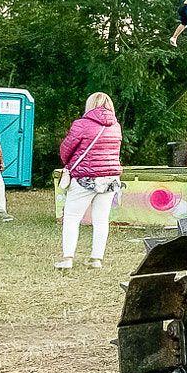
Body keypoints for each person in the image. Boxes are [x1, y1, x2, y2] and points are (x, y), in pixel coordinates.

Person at [57, 92, 123, 270]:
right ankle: (96, 259)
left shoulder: (81, 124)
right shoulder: (116, 126)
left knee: (71, 217)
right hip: (110, 177)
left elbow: (66, 150)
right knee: (101, 219)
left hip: (85, 177)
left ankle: (68, 258)